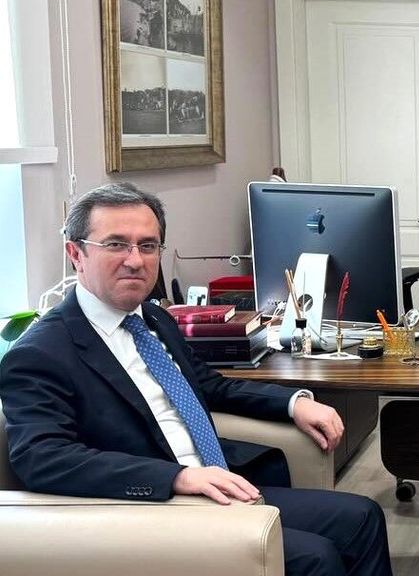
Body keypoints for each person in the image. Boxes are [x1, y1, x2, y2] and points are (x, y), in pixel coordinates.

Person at [0, 183, 392, 576]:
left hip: (218, 484)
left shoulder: (154, 318)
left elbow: (210, 385)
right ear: (76, 253)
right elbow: (43, 458)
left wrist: (294, 403)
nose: (135, 260)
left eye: (148, 246)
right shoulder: (41, 352)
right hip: (146, 508)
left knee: (362, 517)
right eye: (116, 244)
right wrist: (177, 477)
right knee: (316, 556)